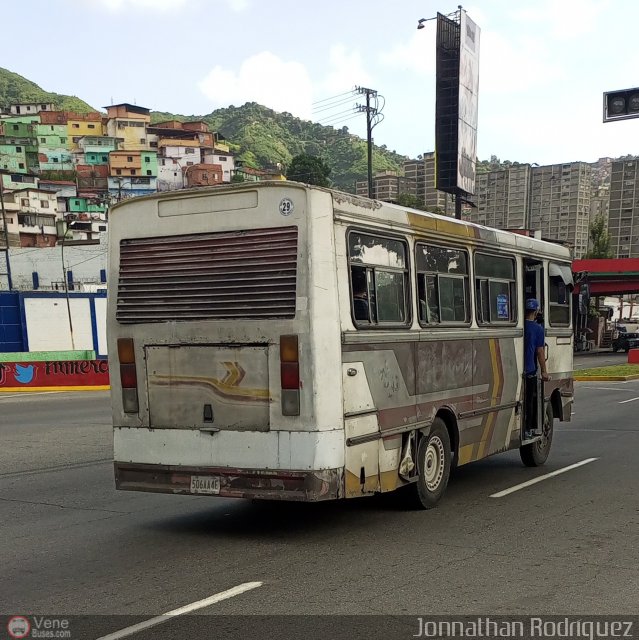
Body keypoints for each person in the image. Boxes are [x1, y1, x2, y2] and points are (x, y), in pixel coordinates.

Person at [524, 298, 550, 438]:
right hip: (530, 370)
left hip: (518, 369)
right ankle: (528, 429)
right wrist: (544, 371)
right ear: (536, 311)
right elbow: (540, 351)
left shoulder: (521, 326)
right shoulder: (538, 329)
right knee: (530, 401)